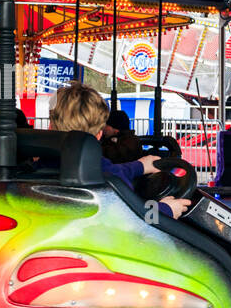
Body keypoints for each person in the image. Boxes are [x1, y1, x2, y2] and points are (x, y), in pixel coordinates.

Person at [50, 81, 191, 218]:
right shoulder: (106, 180)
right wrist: (166, 210)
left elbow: (112, 170)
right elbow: (134, 220)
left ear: (51, 126)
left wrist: (140, 166)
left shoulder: (41, 166)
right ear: (99, 135)